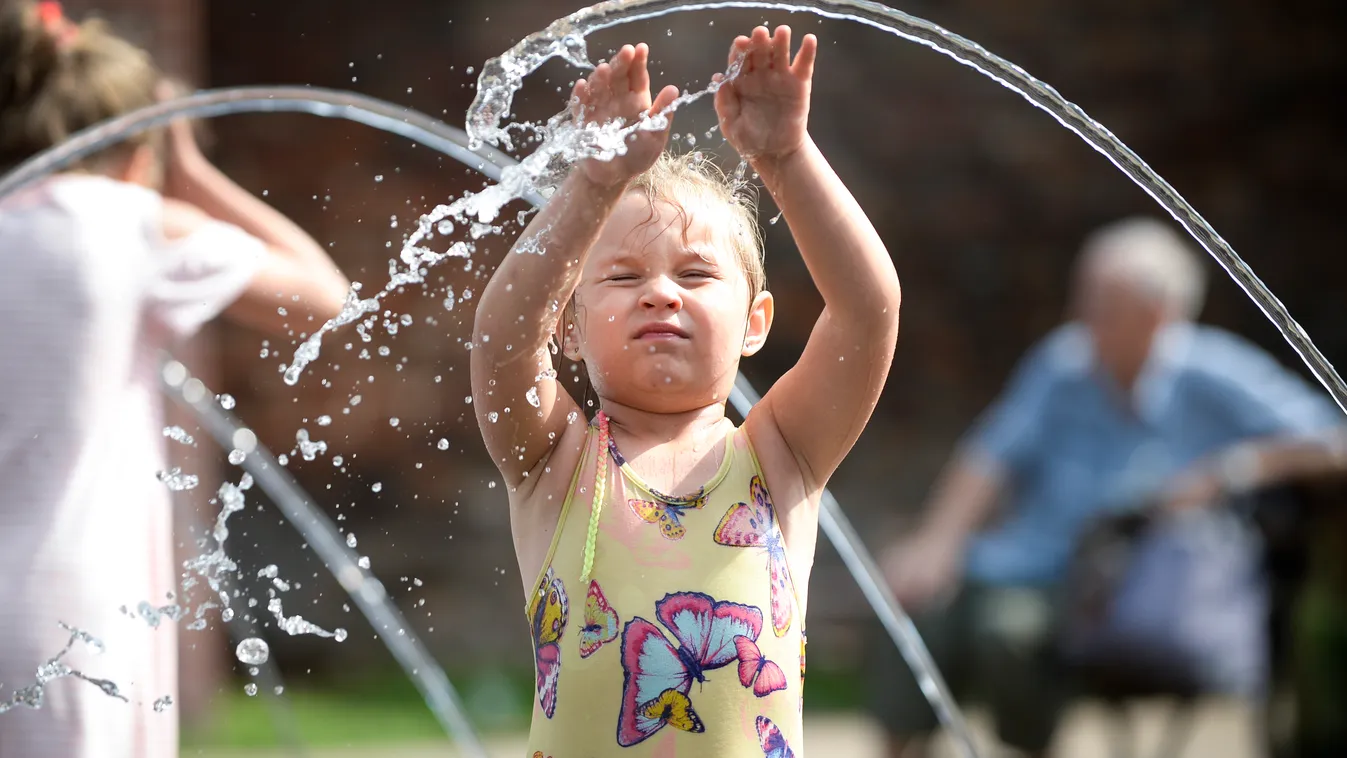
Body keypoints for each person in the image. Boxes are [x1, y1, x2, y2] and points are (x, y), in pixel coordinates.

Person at [470, 25, 901, 756]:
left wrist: (786, 159)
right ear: (567, 330)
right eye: (622, 277)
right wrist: (593, 182)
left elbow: (868, 309)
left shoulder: (781, 457)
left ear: (754, 323)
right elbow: (503, 337)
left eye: (695, 275)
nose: (659, 294)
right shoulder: (555, 460)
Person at [0, 2, 349, 757]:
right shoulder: (118, 221)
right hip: (67, 616)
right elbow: (322, 296)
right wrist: (187, 171)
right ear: (135, 148)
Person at [876, 217, 1347, 758]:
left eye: (1104, 305)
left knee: (1005, 631)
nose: (1084, 316)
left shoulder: (1213, 374)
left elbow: (1335, 439)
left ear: (1158, 315)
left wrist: (1231, 470)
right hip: (1024, 559)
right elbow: (990, 456)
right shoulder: (1064, 363)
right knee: (911, 607)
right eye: (1085, 298)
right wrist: (937, 542)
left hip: (1120, 587)